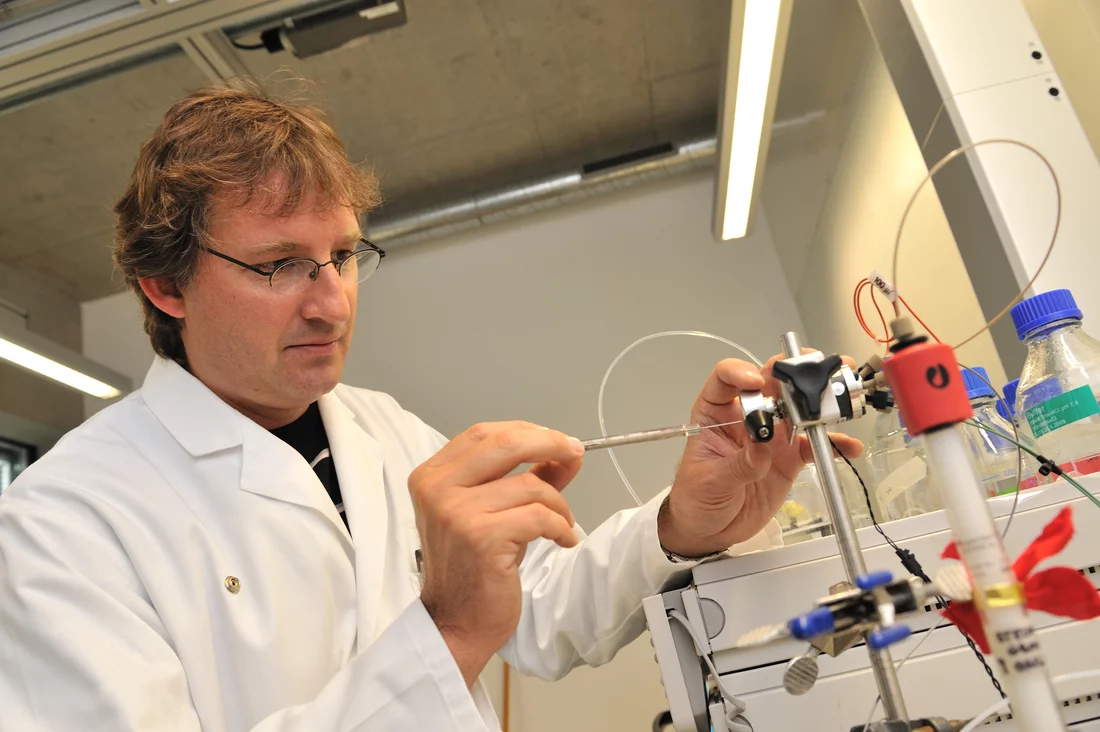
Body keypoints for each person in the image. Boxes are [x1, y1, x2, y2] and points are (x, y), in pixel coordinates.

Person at [0, 80, 861, 731]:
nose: (331, 303)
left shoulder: (379, 427)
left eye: (340, 255)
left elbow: (541, 612)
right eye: (278, 265)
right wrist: (444, 635)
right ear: (165, 284)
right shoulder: (63, 521)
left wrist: (689, 521)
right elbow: (464, 626)